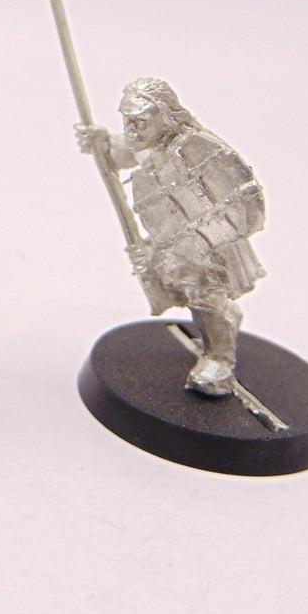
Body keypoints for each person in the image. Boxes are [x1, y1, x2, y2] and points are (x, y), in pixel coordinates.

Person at [79, 77, 265, 396]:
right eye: (127, 120)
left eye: (140, 122)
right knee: (185, 289)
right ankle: (225, 319)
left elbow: (232, 201)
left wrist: (160, 250)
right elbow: (122, 153)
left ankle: (219, 359)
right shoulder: (149, 143)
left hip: (209, 243)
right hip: (174, 242)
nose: (132, 129)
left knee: (205, 294)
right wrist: (102, 143)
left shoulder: (195, 148)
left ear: (164, 117)